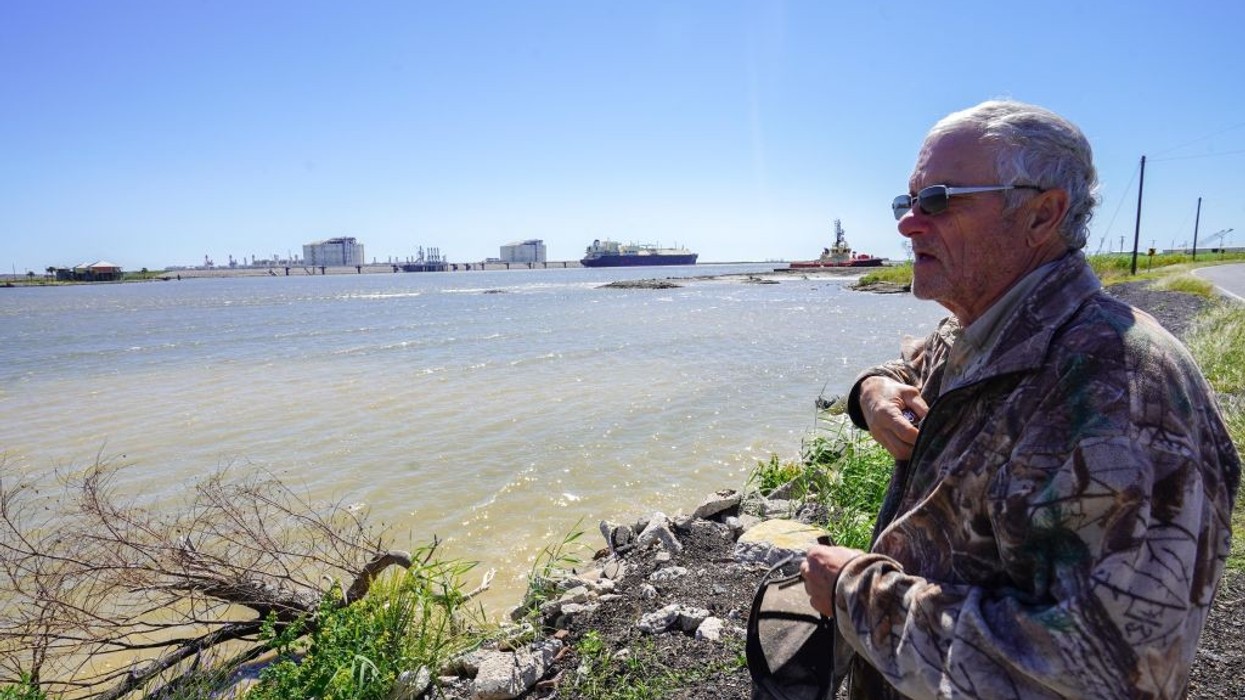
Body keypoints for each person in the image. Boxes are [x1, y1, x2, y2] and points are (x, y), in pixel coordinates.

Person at [800, 100, 1240, 699]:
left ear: (1041, 214)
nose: (907, 226)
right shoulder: (983, 326)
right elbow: (913, 362)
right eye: (908, 201)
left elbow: (1101, 675)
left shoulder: (1121, 385)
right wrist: (869, 393)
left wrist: (856, 593)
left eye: (940, 200)